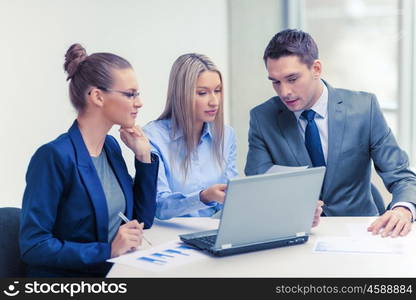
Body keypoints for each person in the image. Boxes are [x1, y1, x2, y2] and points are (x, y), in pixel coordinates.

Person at [245, 29, 416, 237]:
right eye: (275, 81)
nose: (284, 92)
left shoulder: (364, 108)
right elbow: (256, 187)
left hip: (360, 233)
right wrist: (291, 209)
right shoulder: (263, 118)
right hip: (294, 234)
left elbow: (401, 175)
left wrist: (403, 209)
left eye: (292, 78)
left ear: (316, 68)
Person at [19, 44, 159, 277]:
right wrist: (107, 250)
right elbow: (34, 246)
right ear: (97, 96)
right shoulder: (54, 156)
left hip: (116, 272)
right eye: (130, 94)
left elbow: (143, 221)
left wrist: (143, 157)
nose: (139, 102)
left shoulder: (110, 148)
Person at [143, 53, 238, 220]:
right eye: (202, 93)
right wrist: (203, 197)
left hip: (213, 231)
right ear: (181, 94)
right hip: (171, 237)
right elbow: (159, 206)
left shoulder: (226, 135)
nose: (214, 101)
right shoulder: (153, 137)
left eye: (218, 91)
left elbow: (231, 198)